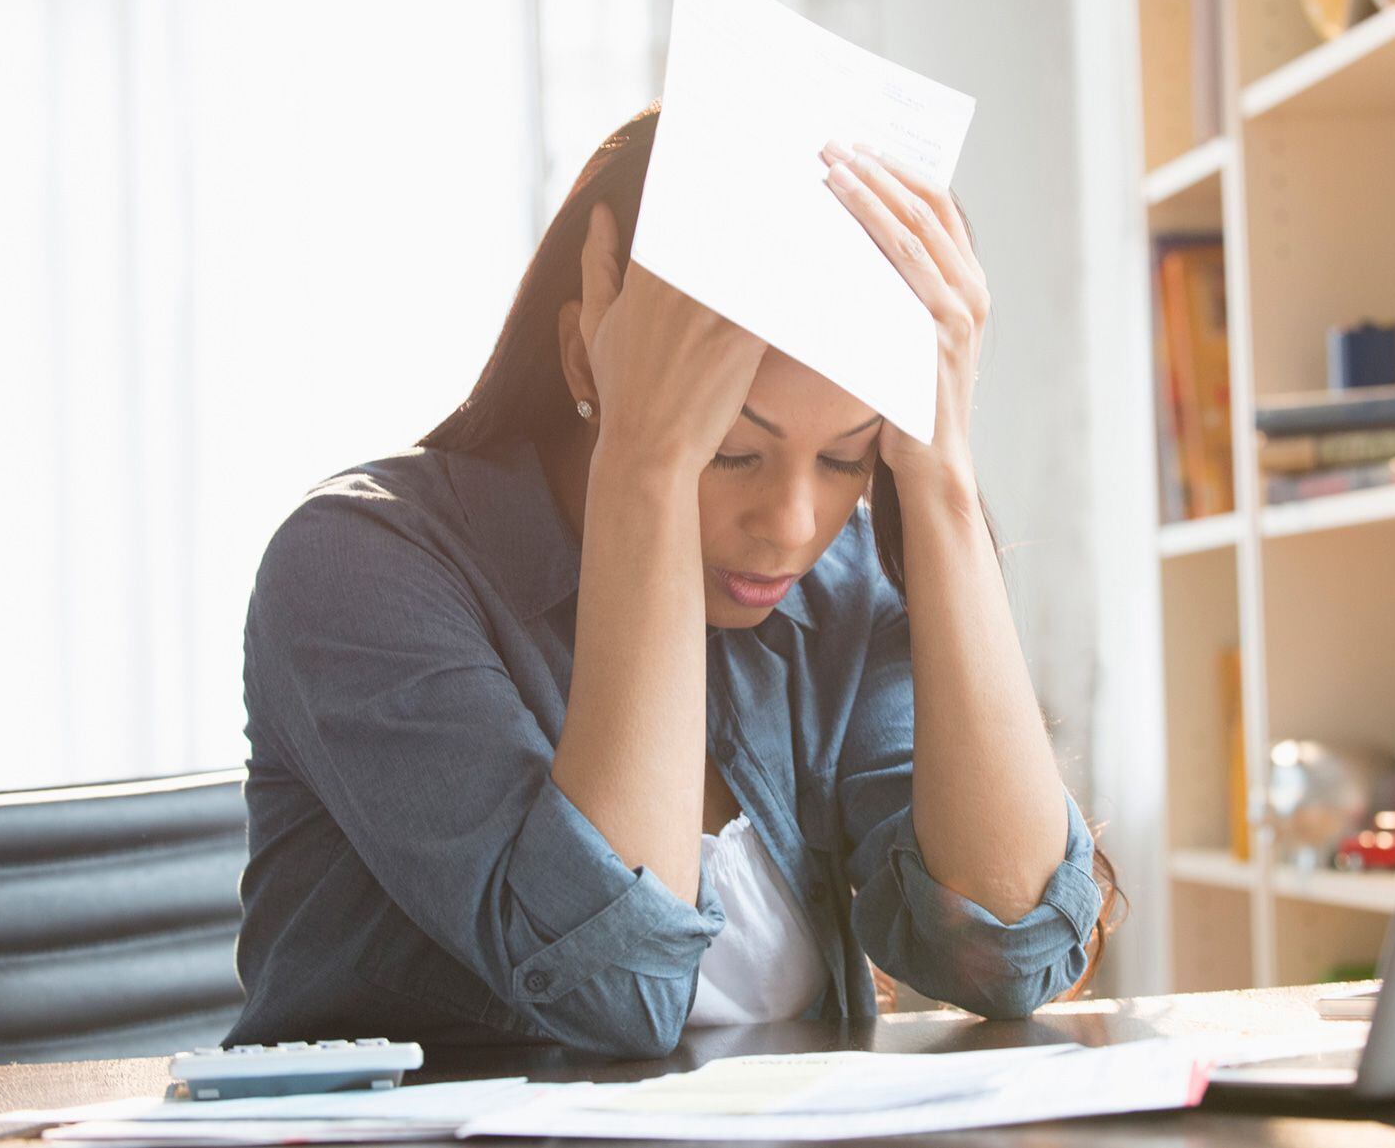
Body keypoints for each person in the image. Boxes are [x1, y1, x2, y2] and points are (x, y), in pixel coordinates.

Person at [226, 102, 1121, 1059]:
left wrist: (938, 480)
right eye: (734, 452)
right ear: (587, 357)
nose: (791, 527)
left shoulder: (843, 588)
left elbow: (1010, 955)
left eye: (847, 460)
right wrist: (645, 461)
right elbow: (619, 989)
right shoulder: (356, 568)